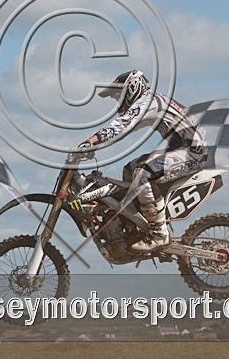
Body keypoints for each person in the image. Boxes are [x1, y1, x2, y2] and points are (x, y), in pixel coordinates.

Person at [80, 70, 206, 252]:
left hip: (193, 152)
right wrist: (97, 145)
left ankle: (159, 234)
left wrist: (91, 141)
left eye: (118, 95)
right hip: (182, 150)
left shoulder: (149, 101)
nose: (118, 100)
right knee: (130, 169)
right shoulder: (150, 103)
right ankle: (136, 224)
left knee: (143, 173)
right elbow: (125, 129)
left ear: (131, 89)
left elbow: (122, 124)